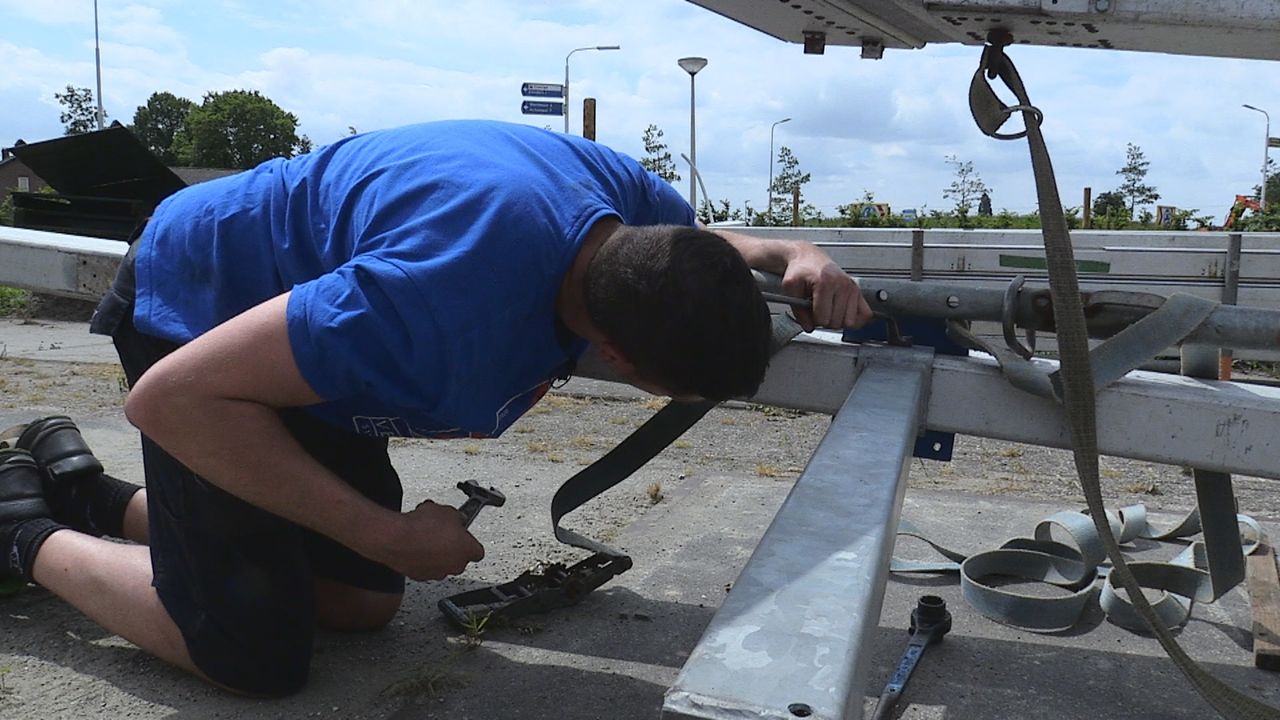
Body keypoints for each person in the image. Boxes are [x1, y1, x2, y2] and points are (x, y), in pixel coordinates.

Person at [0, 119, 872, 696]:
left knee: (358, 604)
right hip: (203, 313)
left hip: (307, 336)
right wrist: (384, 533)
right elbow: (171, 401)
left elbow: (700, 247)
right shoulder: (436, 299)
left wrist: (787, 249)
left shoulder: (633, 224)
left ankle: (87, 491)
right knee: (250, 653)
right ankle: (22, 529)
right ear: (612, 356)